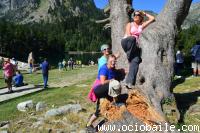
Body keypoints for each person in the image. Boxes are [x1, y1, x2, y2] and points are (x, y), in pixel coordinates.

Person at [121, 10, 155, 88]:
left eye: (138, 15)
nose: (136, 16)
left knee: (136, 60)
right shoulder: (130, 24)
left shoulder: (141, 26)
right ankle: (129, 57)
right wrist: (134, 41)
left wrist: (145, 13)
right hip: (126, 42)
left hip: (134, 47)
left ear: (141, 17)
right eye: (134, 15)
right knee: (132, 38)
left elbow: (152, 19)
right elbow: (129, 35)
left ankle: (129, 82)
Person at [86, 55, 121, 128]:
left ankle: (89, 124)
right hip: (99, 89)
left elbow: (116, 71)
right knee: (115, 84)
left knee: (99, 110)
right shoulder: (104, 68)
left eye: (114, 61)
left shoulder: (112, 68)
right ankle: (116, 101)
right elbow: (102, 82)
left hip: (105, 90)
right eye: (111, 61)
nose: (113, 62)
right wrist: (111, 80)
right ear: (107, 62)